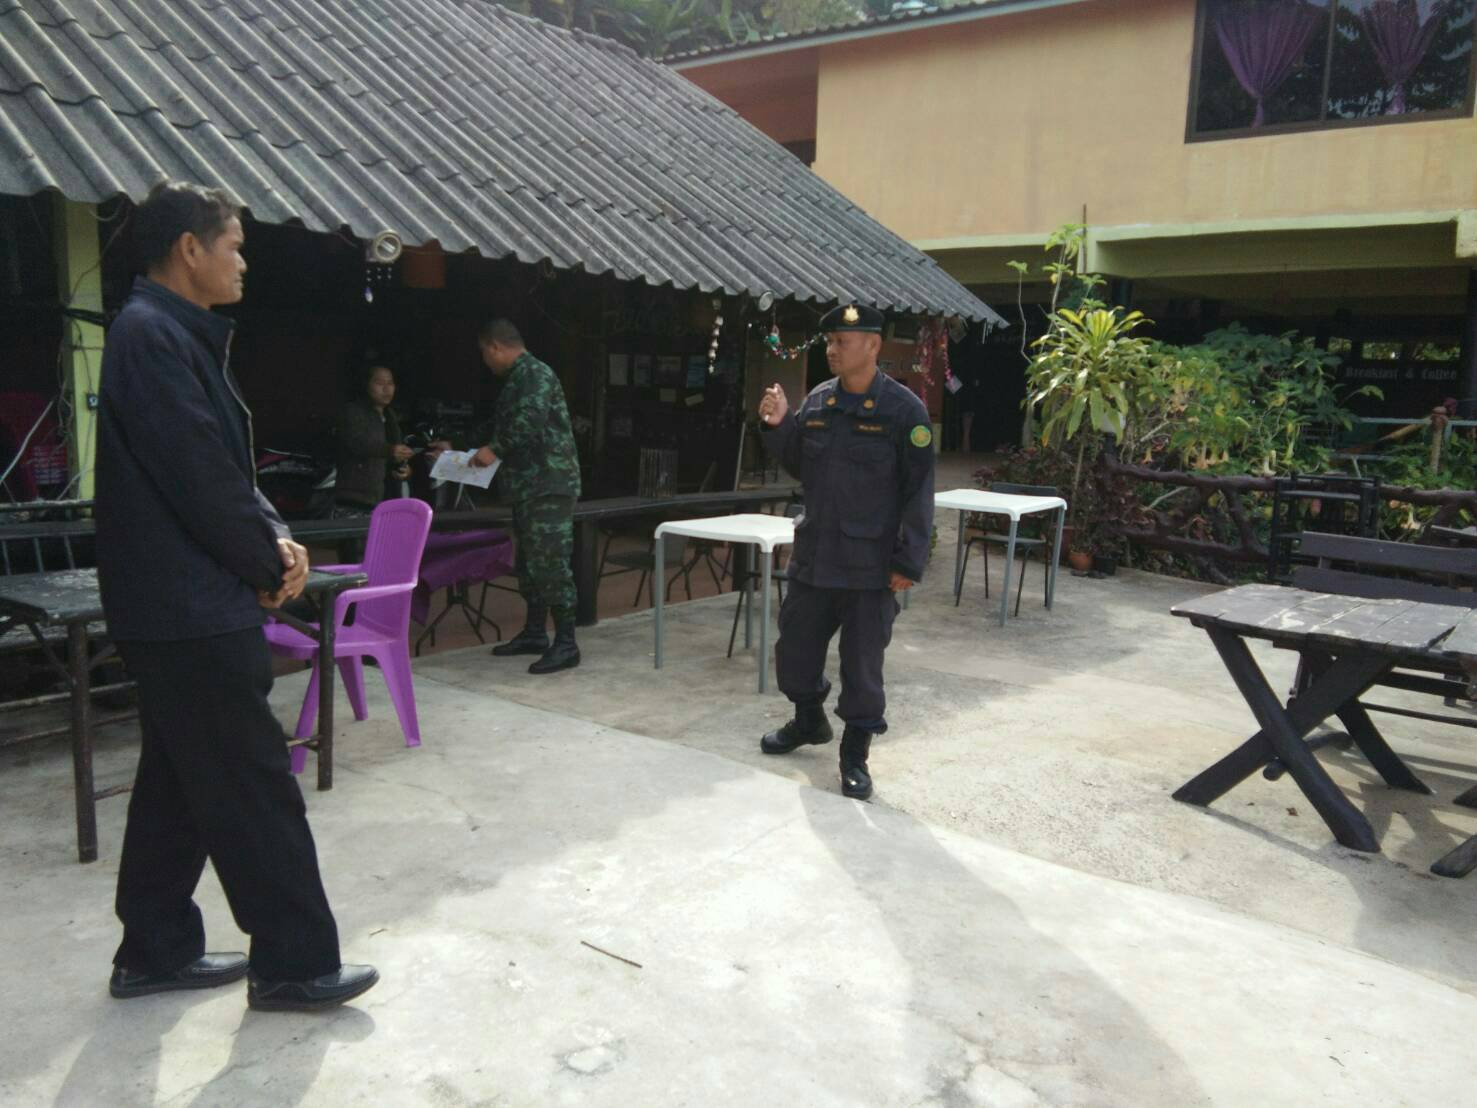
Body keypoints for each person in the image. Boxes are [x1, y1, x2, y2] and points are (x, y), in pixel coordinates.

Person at [95, 180, 378, 1011]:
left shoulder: (169, 334)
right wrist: (267, 563)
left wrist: (276, 539)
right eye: (234, 245)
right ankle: (293, 963)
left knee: (178, 783)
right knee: (254, 787)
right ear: (190, 250)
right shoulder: (150, 336)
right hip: (186, 610)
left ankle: (153, 950)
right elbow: (198, 477)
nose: (243, 262)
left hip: (180, 605)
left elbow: (224, 468)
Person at [756, 302, 935, 799]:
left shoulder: (904, 412)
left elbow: (919, 491)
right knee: (794, 651)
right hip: (815, 556)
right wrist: (779, 424)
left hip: (870, 568)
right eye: (830, 341)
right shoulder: (818, 401)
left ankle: (855, 753)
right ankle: (809, 720)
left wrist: (908, 560)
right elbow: (801, 463)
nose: (832, 350)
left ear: (873, 346)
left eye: (843, 342)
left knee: (862, 666)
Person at [463, 319, 582, 674]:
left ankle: (567, 643)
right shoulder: (517, 379)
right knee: (530, 566)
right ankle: (534, 633)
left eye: (484, 353)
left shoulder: (534, 373)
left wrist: (495, 449)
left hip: (548, 485)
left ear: (495, 347)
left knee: (551, 564)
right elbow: (500, 424)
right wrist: (458, 444)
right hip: (529, 488)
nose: (485, 361)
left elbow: (530, 419)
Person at [334, 363, 412, 516]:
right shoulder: (353, 411)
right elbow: (356, 443)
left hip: (387, 496)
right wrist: (390, 450)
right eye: (380, 383)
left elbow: (394, 454)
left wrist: (405, 469)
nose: (386, 389)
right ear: (366, 385)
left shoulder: (391, 416)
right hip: (357, 496)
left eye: (390, 383)